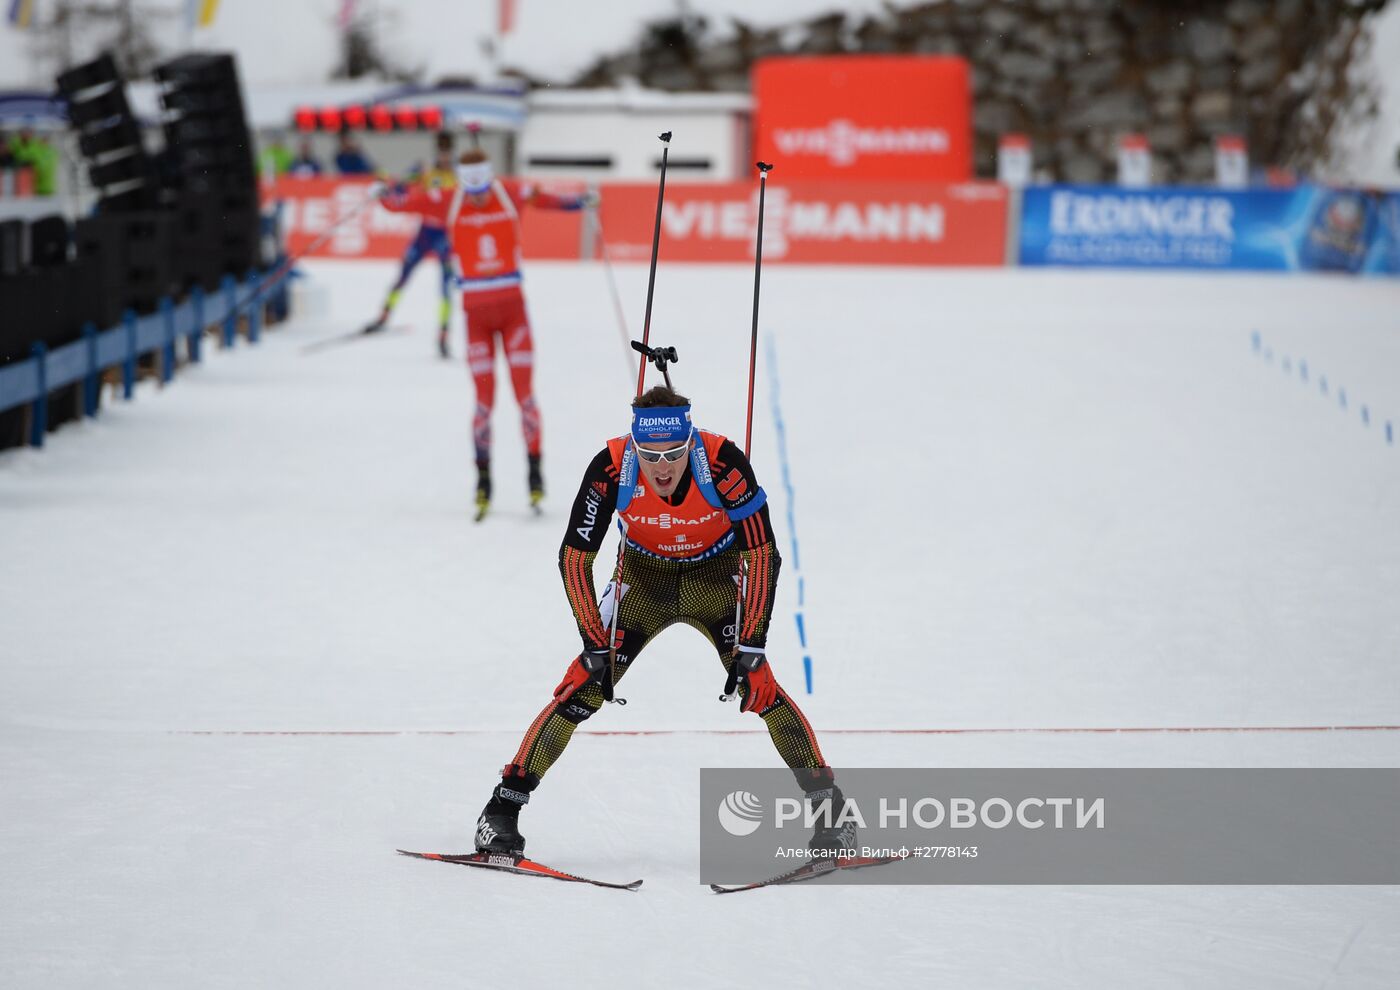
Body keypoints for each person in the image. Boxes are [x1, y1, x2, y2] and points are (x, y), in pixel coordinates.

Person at [471, 385, 854, 859]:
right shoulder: (611, 468)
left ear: (689, 442)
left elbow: (762, 553)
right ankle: (499, 814)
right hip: (643, 580)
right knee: (586, 686)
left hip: (715, 577)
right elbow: (574, 558)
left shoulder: (721, 462)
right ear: (635, 447)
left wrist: (753, 648)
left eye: (674, 453)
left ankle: (835, 819)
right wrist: (594, 645)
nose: (663, 467)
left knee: (761, 689)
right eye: (650, 456)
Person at [379, 149, 595, 518]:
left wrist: (579, 202)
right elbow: (404, 204)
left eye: (482, 187)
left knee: (524, 396)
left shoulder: (508, 192)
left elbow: (545, 198)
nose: (478, 196)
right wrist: (381, 192)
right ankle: (483, 482)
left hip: (514, 313)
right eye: (471, 187)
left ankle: (535, 476)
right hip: (475, 315)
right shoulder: (449, 199)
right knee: (483, 402)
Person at [362, 132, 457, 358]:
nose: (444, 156)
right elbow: (401, 186)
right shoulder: (424, 170)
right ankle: (384, 315)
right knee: (403, 274)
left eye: (447, 152)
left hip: (445, 236)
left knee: (445, 287)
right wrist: (384, 187)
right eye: (441, 151)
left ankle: (444, 334)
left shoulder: (457, 175)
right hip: (425, 233)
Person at [8, 128, 58, 196]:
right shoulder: (34, 148)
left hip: (48, 188)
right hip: (34, 188)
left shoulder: (52, 151)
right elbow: (21, 156)